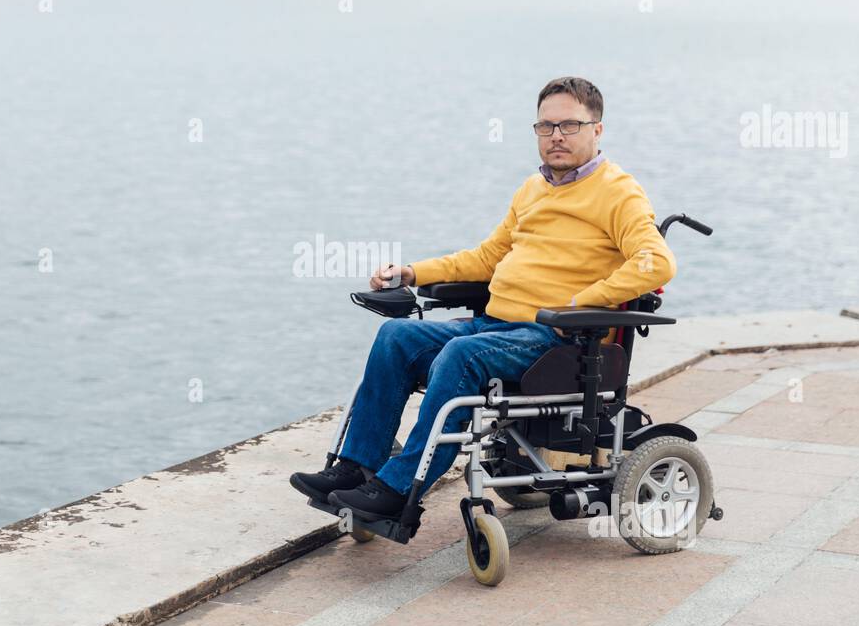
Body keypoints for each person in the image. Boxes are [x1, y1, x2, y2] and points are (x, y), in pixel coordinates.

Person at [289, 76, 676, 523]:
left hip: (557, 340)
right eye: (546, 127)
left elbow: (656, 263)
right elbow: (490, 256)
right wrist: (414, 272)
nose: (556, 136)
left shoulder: (618, 191)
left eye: (569, 126)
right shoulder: (533, 189)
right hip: (497, 326)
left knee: (461, 354)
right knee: (395, 335)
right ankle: (358, 467)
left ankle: (398, 489)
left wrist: (580, 302)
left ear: (597, 129)